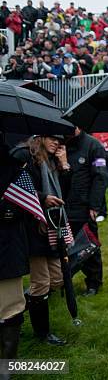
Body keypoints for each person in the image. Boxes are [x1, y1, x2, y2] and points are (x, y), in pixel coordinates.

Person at [13, 135, 72, 345]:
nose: (57, 142)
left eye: (60, 140)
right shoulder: (23, 155)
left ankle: (12, 313)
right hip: (32, 228)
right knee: (41, 283)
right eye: (53, 138)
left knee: (57, 279)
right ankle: (42, 333)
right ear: (40, 137)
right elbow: (15, 187)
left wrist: (64, 166)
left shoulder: (53, 161)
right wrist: (41, 198)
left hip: (53, 226)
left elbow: (64, 193)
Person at [64, 127, 108, 296]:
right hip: (64, 205)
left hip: (85, 206)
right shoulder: (59, 143)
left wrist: (94, 206)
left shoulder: (94, 145)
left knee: (89, 246)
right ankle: (63, 280)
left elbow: (101, 176)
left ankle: (94, 283)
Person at [0, 142, 30, 360]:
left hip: (6, 248)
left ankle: (7, 366)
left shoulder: (14, 169)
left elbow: (24, 208)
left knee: (10, 307)